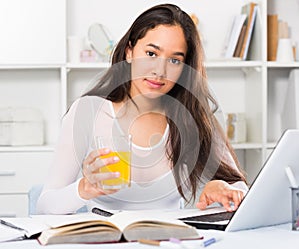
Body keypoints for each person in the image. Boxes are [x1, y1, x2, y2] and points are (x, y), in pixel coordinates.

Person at [36, 3, 248, 215]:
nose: (159, 71)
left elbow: (239, 186)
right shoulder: (87, 113)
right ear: (129, 52)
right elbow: (45, 206)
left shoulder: (193, 117)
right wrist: (83, 188)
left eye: (174, 60)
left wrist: (224, 189)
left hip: (170, 242)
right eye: (151, 53)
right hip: (107, 243)